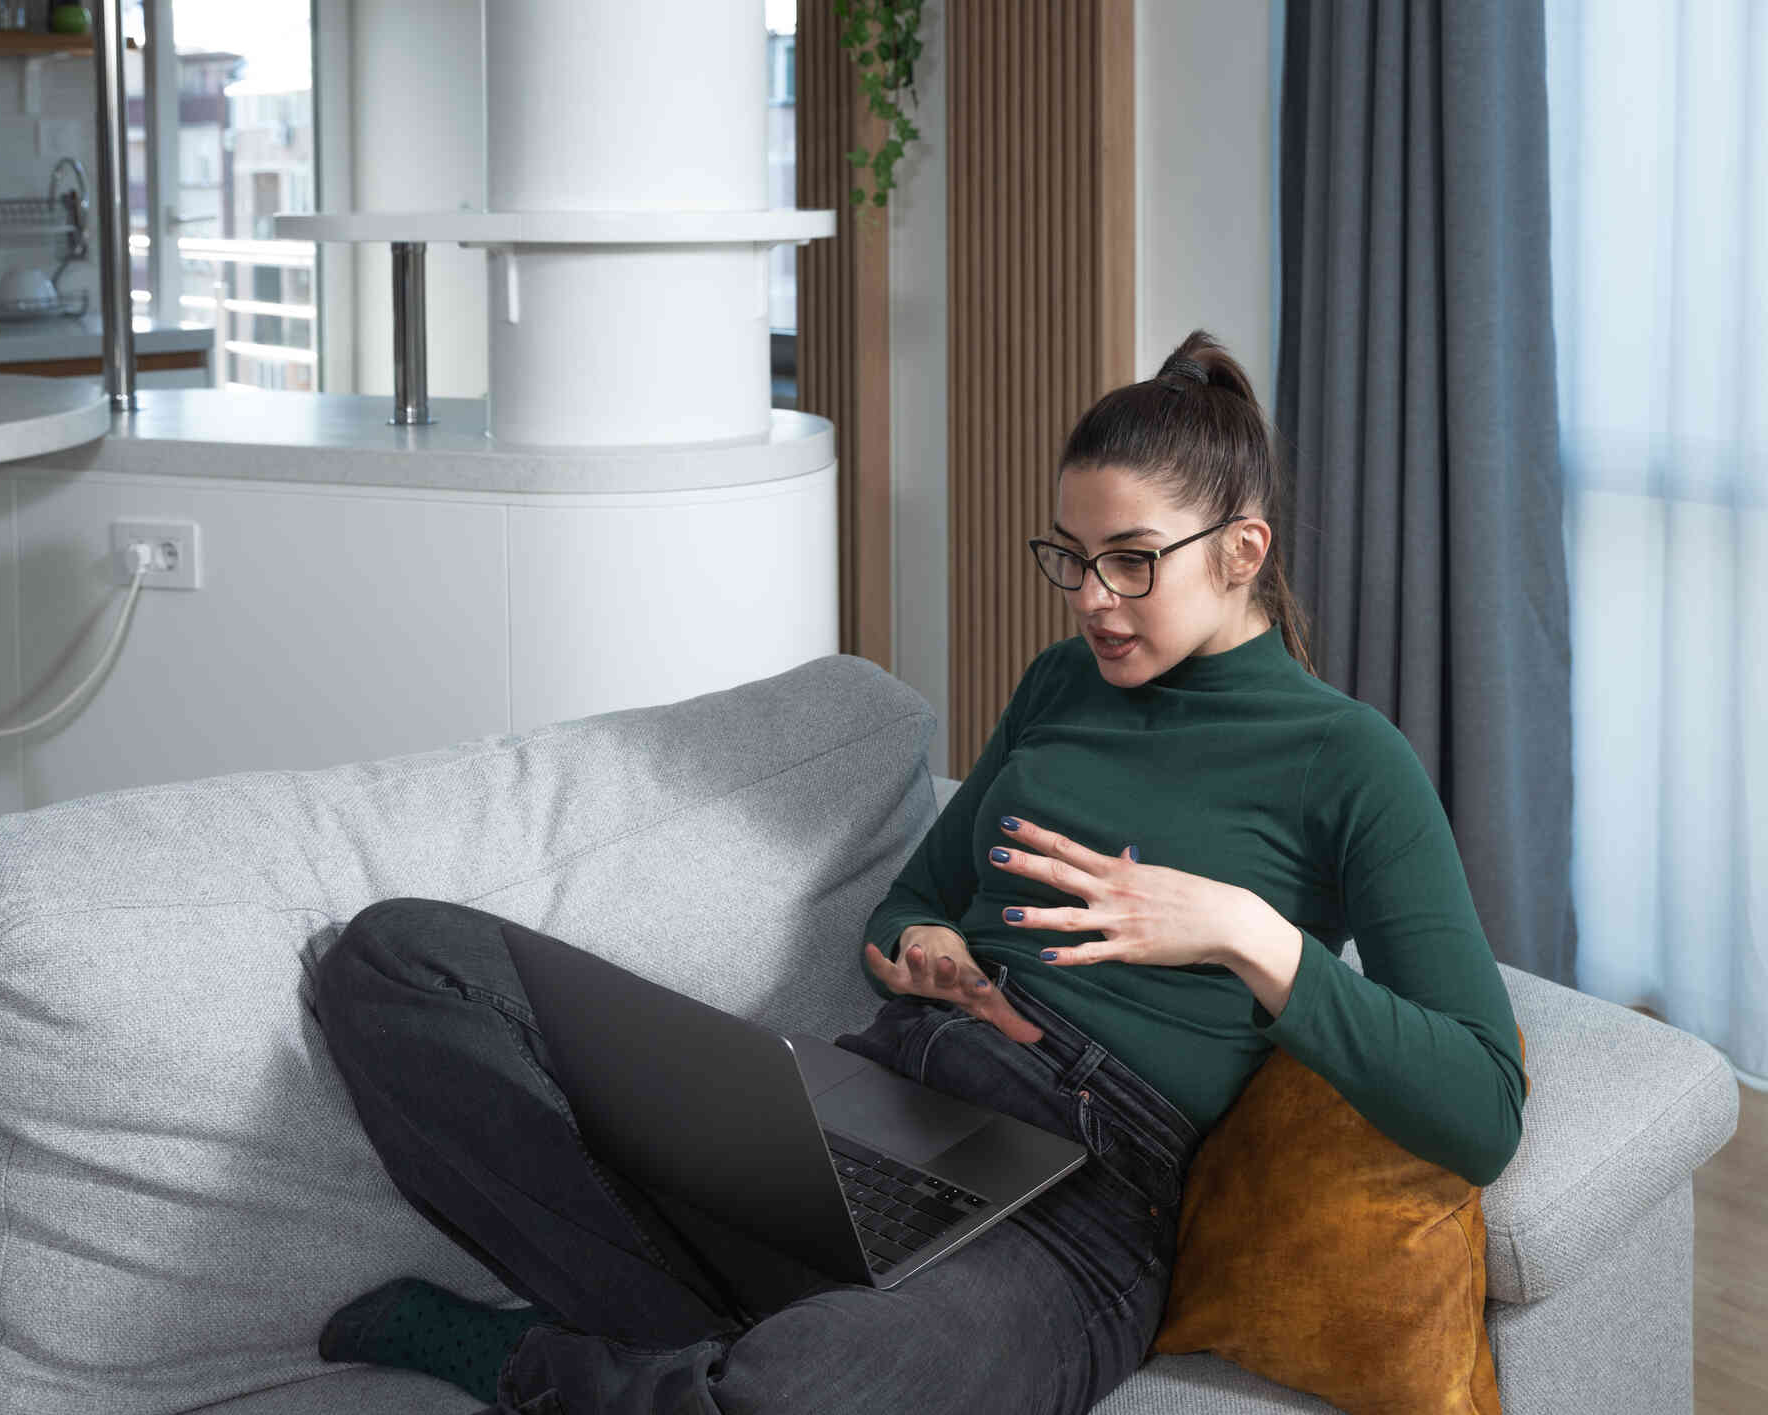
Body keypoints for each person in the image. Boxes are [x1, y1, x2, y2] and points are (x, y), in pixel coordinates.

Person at [306, 329, 1530, 1415]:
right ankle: (697, 1342)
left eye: (1134, 561)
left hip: (1084, 1212)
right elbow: (914, 898)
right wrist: (921, 947)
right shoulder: (1061, 688)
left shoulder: (1345, 760)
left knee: (807, 1389)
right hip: (891, 1098)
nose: (1094, 602)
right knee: (398, 960)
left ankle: (538, 1364)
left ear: (1242, 549)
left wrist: (1247, 934)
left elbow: (1477, 1106)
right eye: (1074, 558)